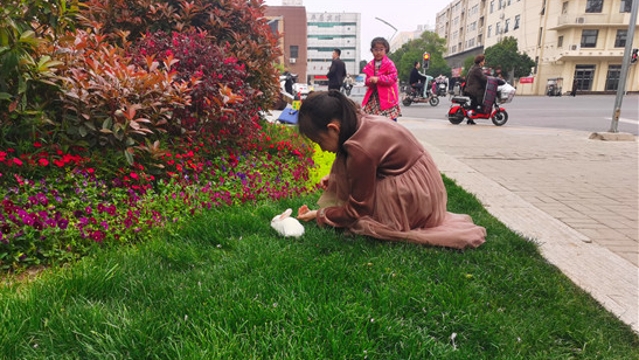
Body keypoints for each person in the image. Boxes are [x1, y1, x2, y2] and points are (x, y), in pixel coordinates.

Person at [296, 91, 487, 250]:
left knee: (363, 223)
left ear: (334, 128)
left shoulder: (360, 148)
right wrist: (337, 178)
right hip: (426, 187)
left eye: (320, 141)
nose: (322, 149)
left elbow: (357, 210)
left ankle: (407, 215)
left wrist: (321, 214)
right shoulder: (359, 120)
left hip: (415, 198)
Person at [361, 37, 401, 121]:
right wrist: (370, 81)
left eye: (381, 49)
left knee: (390, 121)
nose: (378, 52)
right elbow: (367, 81)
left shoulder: (389, 64)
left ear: (385, 50)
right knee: (371, 120)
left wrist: (378, 79)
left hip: (387, 97)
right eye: (376, 50)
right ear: (372, 51)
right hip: (374, 97)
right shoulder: (370, 65)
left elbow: (393, 78)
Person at [463, 54, 488, 125]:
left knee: (474, 104)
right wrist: (490, 79)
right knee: (479, 102)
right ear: (480, 62)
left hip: (469, 89)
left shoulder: (473, 68)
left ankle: (470, 119)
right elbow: (483, 78)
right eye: (484, 61)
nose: (484, 62)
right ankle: (472, 116)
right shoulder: (477, 69)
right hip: (473, 90)